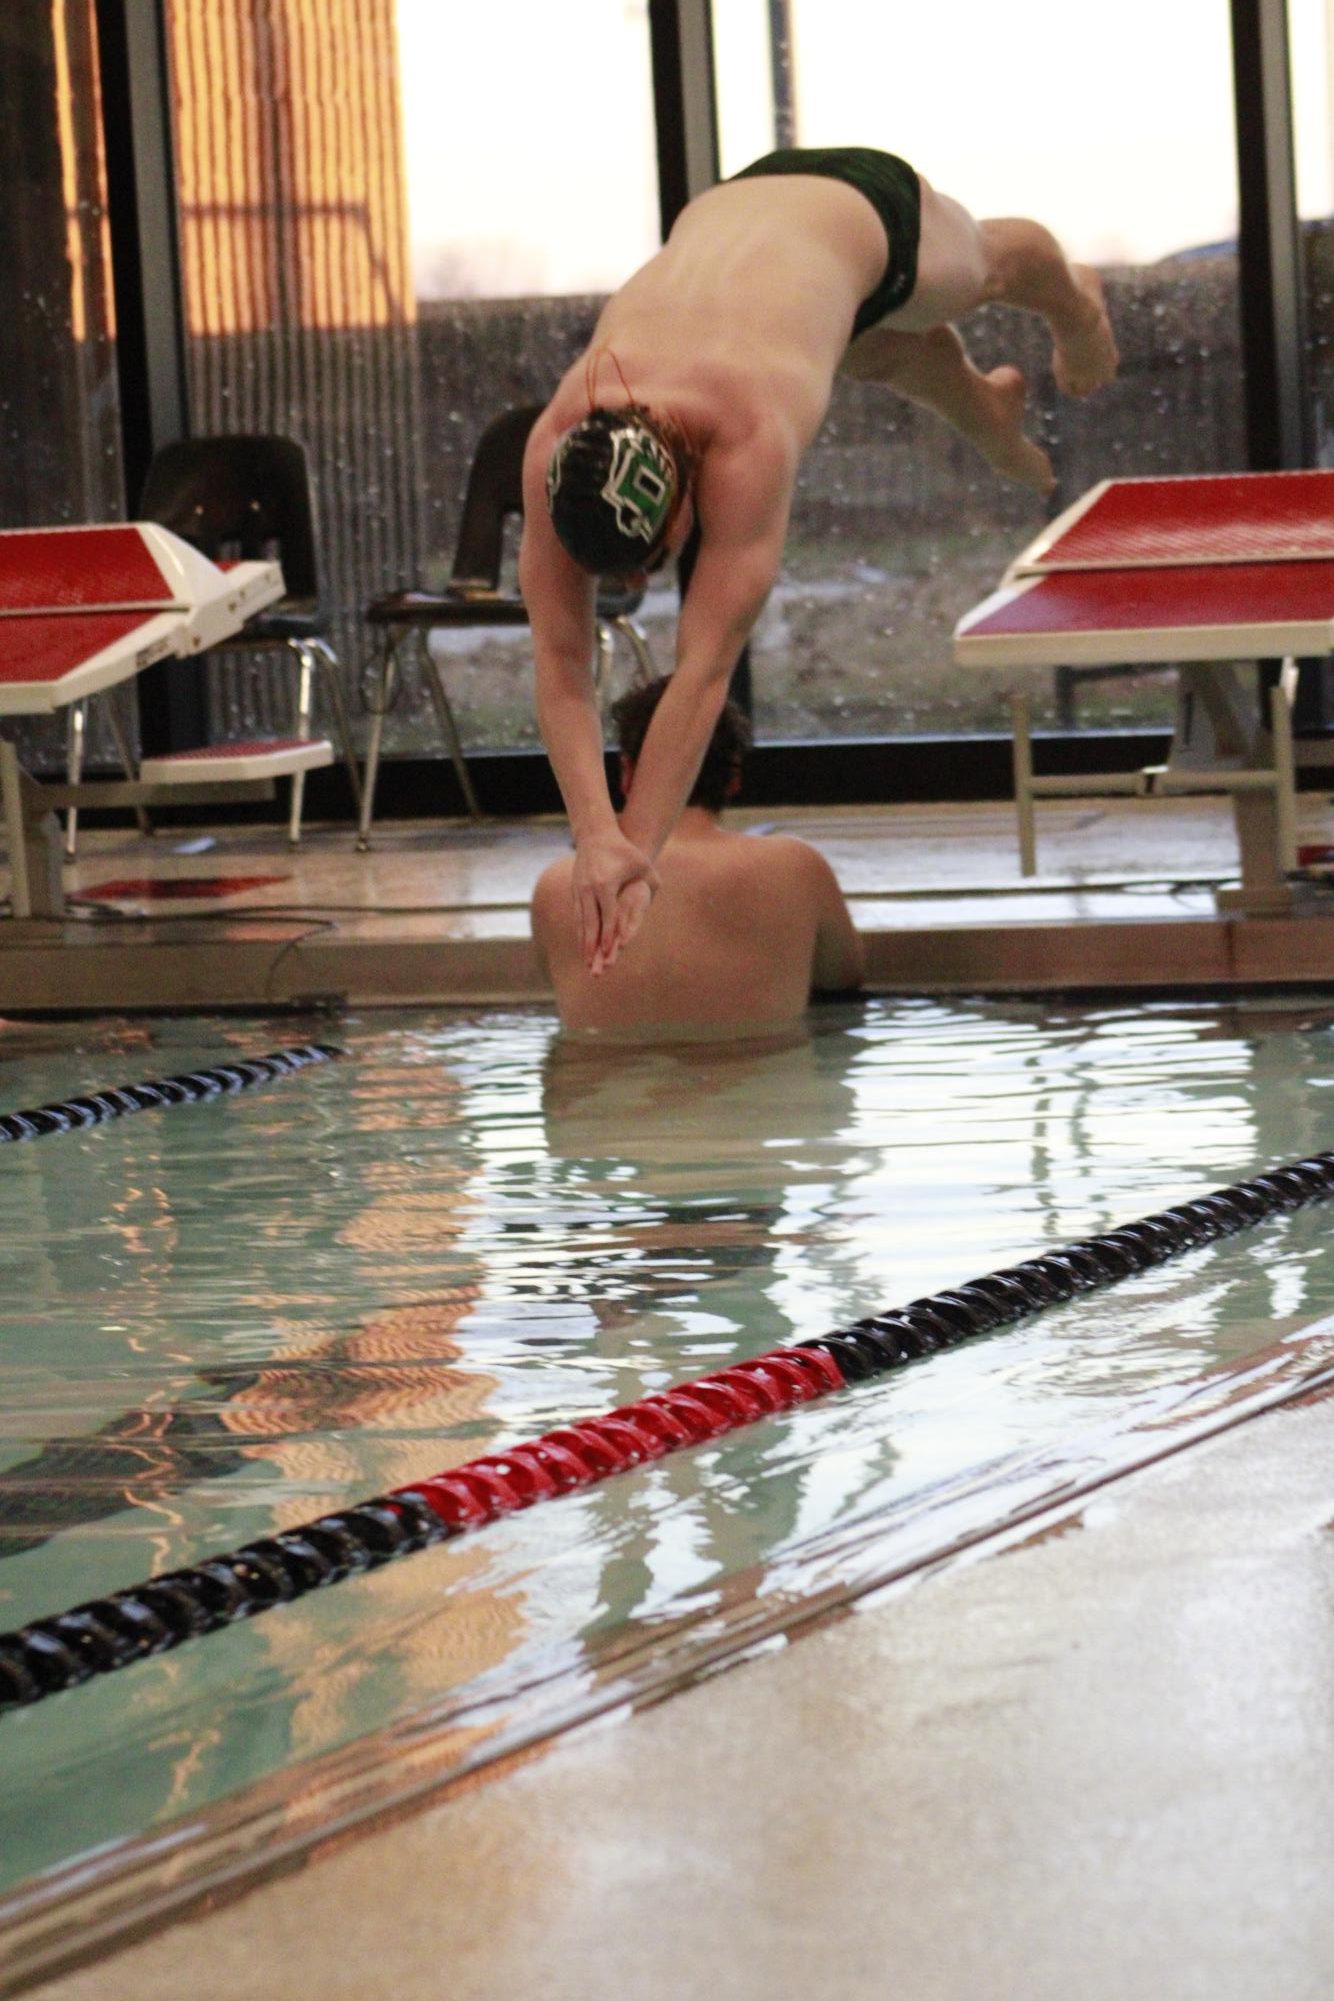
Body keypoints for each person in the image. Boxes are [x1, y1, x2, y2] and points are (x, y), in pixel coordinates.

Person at [518, 144, 1119, 974]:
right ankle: (991, 412)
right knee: (875, 347)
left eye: (650, 559)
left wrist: (638, 852)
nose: (630, 583)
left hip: (855, 207)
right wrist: (597, 839)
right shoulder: (560, 439)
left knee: (982, 267)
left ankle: (1077, 307)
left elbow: (700, 674)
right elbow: (558, 660)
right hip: (743, 222)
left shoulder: (747, 436)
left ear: (688, 491)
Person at [530, 675, 864, 1034]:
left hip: (604, 1086)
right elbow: (843, 977)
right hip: (758, 1082)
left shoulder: (559, 885)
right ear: (733, 777)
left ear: (626, 773)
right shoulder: (796, 867)